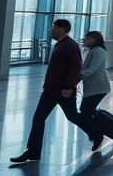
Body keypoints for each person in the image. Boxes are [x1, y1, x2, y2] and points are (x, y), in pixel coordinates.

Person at [11, 19, 97, 163]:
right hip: (53, 89)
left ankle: (96, 131)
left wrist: (68, 87)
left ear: (62, 29)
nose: (51, 31)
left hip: (62, 90)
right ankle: (33, 151)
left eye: (53, 28)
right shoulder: (61, 45)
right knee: (42, 118)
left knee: (71, 116)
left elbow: (76, 67)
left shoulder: (69, 45)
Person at [76, 30, 110, 151]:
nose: (85, 40)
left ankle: (98, 134)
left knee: (86, 110)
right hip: (94, 87)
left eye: (88, 38)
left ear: (95, 40)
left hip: (98, 87)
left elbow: (95, 67)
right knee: (87, 110)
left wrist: (79, 77)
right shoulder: (93, 50)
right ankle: (98, 133)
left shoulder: (98, 51)